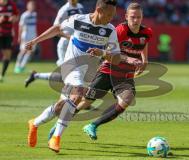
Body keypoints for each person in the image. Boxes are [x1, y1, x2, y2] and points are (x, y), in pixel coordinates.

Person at [27, 0, 141, 153]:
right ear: (98, 10)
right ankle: (56, 138)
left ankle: (34, 123)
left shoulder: (110, 30)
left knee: (62, 106)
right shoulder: (79, 20)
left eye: (113, 15)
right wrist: (35, 41)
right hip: (71, 67)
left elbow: (115, 58)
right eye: (108, 14)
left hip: (88, 74)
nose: (111, 18)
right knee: (78, 95)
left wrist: (103, 53)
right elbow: (57, 29)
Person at [48, 2, 152, 142]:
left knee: (127, 100)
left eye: (138, 17)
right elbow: (109, 52)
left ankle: (93, 125)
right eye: (132, 17)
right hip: (107, 71)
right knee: (86, 101)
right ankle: (59, 125)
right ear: (126, 16)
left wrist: (144, 60)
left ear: (142, 17)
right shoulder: (119, 31)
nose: (136, 20)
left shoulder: (147, 32)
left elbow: (144, 44)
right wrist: (128, 59)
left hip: (125, 75)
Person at [24, 0, 84, 87]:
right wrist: (69, 37)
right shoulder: (64, 10)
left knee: (73, 74)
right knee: (67, 75)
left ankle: (35, 75)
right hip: (65, 45)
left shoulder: (80, 7)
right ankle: (67, 98)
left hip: (75, 45)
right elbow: (56, 29)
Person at [14, 0, 37, 73]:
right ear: (27, 6)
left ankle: (22, 66)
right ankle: (17, 66)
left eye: (33, 5)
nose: (32, 7)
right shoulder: (24, 15)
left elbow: (34, 26)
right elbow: (20, 26)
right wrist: (19, 37)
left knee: (29, 51)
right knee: (23, 51)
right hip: (26, 36)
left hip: (33, 36)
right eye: (30, 5)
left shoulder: (35, 14)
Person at [0, 0, 19, 82]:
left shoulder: (12, 4)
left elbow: (17, 16)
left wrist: (14, 18)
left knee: (7, 55)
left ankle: (2, 75)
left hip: (8, 33)